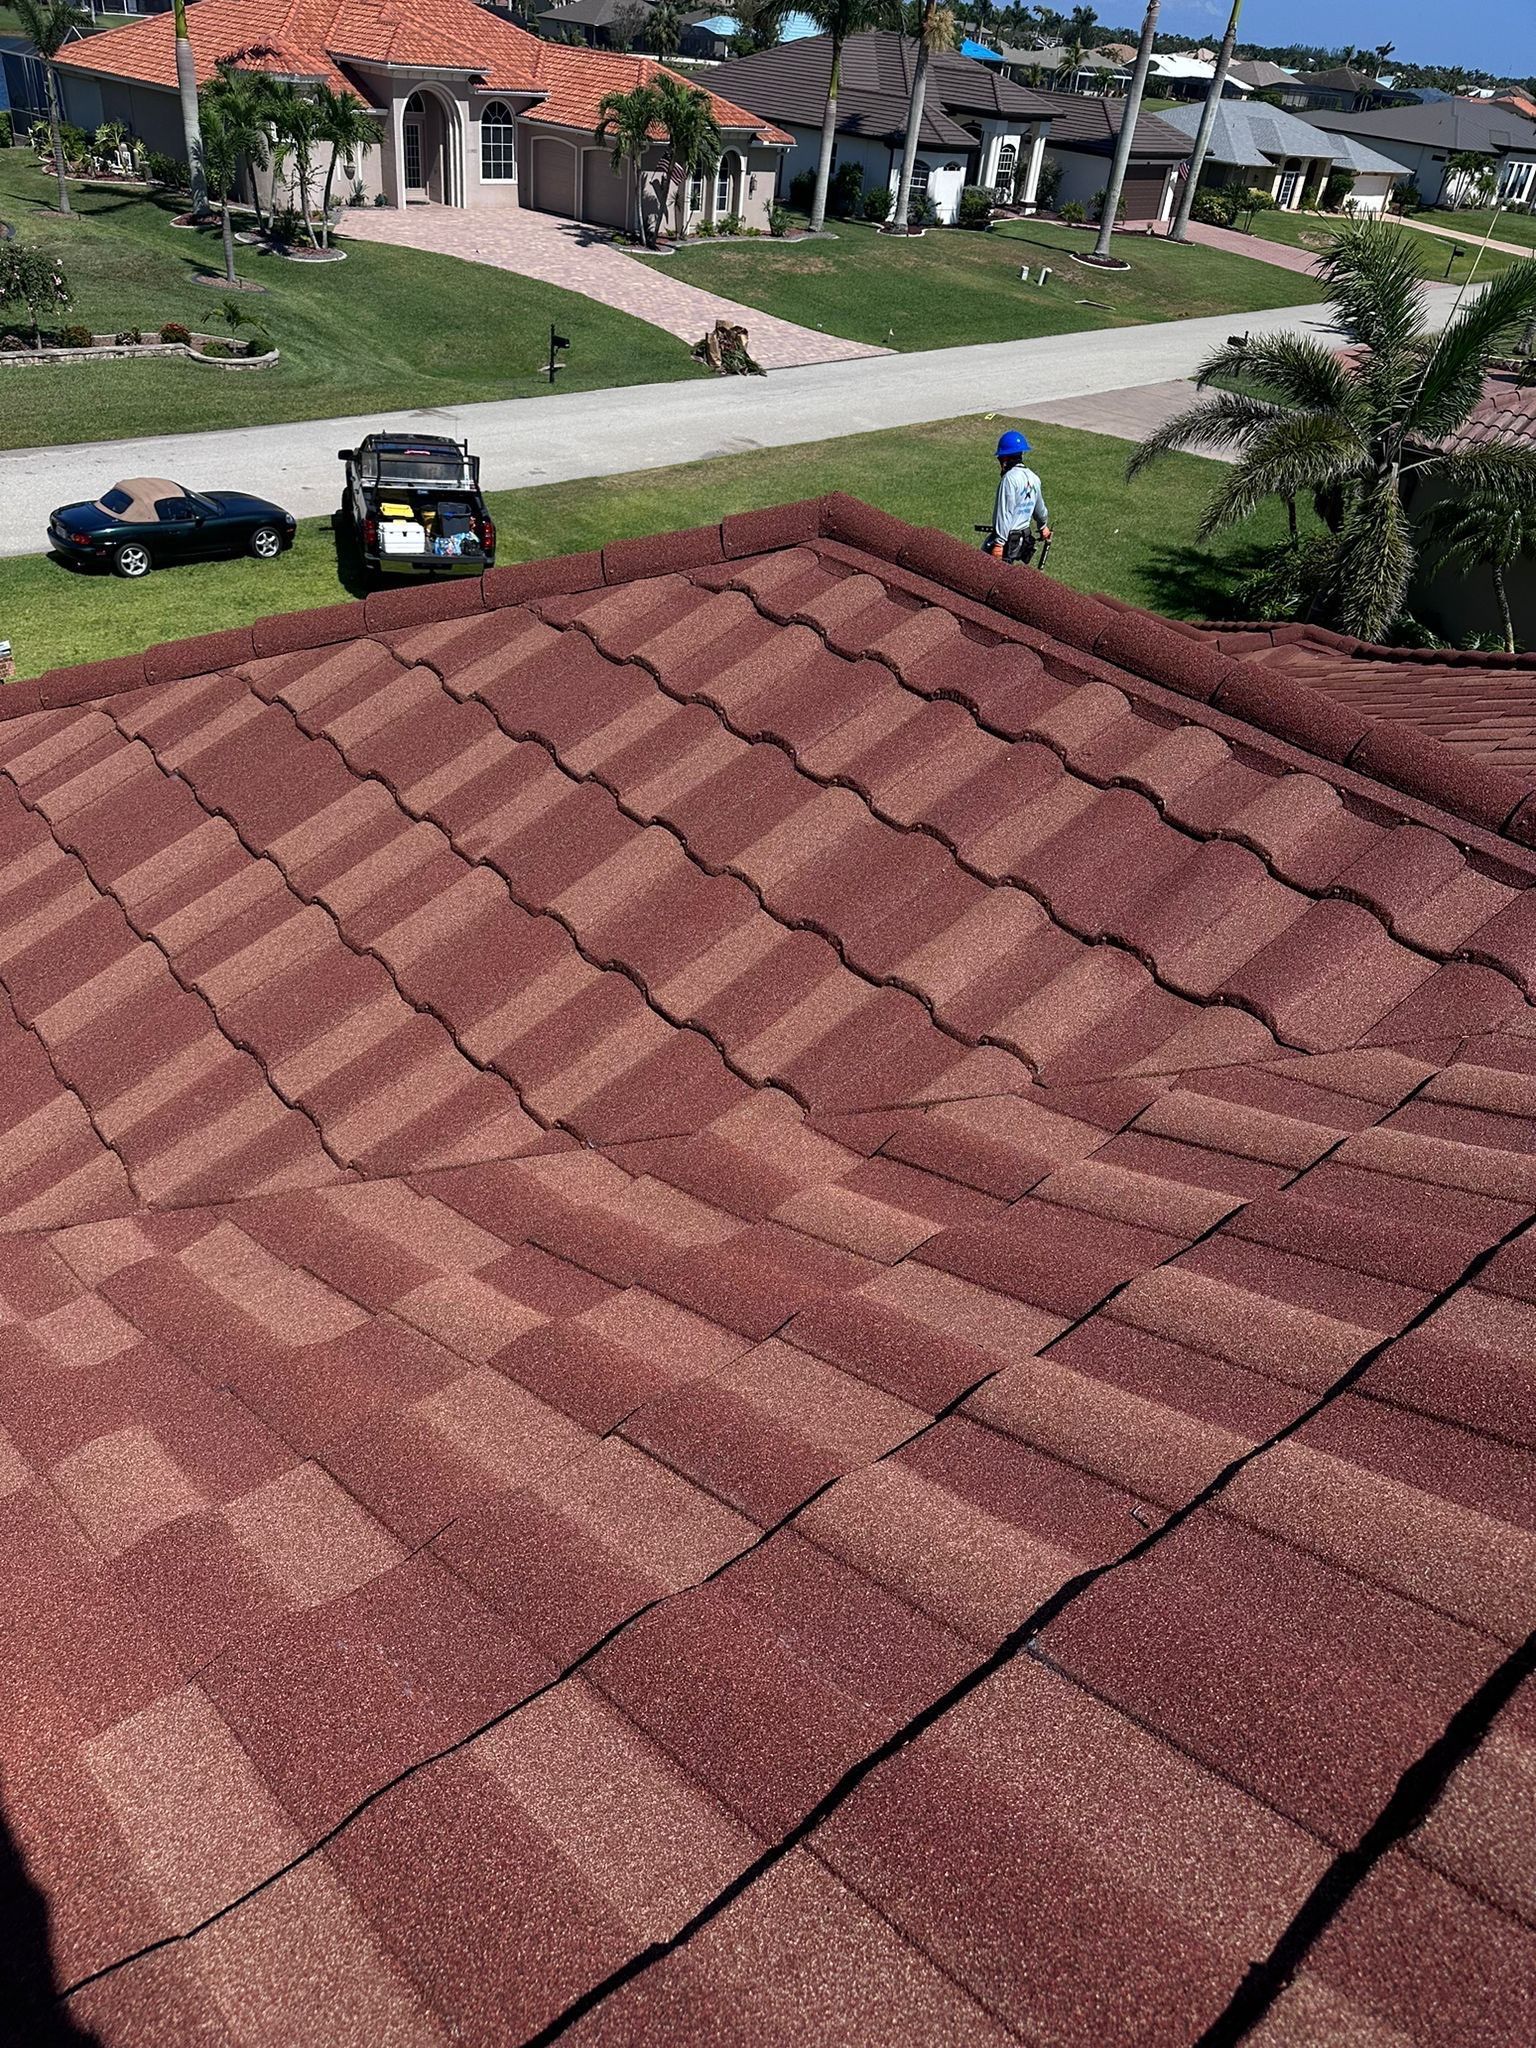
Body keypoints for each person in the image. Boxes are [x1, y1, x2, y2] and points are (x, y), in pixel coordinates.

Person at [988, 429, 1051, 563]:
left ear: (1005, 457)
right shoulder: (1034, 478)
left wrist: (999, 544)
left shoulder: (1009, 479)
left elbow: (1005, 513)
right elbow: (1040, 509)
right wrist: (1043, 527)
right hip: (1023, 540)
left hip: (1007, 543)